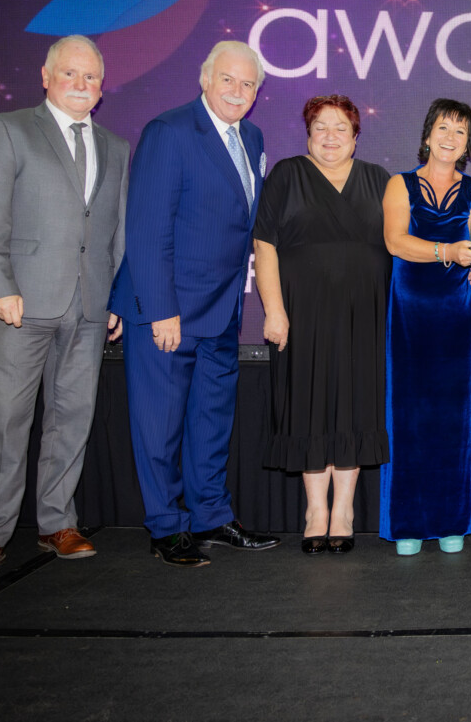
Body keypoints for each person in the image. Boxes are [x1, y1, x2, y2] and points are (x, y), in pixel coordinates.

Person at [0, 35, 127, 578]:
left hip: (90, 306)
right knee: (6, 421)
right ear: (47, 75)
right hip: (20, 303)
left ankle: (58, 523)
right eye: (72, 73)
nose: (83, 84)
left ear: (102, 87)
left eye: (92, 77)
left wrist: (114, 297)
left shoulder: (117, 147)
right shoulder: (7, 130)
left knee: (71, 419)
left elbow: (115, 232)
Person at [109, 41, 281, 567]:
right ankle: (166, 527)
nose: (238, 91)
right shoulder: (171, 131)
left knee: (211, 421)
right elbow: (146, 228)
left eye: (248, 84)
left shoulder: (250, 138)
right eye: (228, 79)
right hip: (169, 312)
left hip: (223, 311)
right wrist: (161, 309)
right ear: (205, 80)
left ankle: (210, 516)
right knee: (159, 425)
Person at [254, 96, 392, 555]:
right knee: (309, 407)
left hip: (365, 319)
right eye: (320, 127)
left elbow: (406, 244)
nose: (330, 135)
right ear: (308, 133)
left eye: (340, 128)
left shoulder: (379, 180)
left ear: (356, 135)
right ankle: (316, 511)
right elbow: (265, 244)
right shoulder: (287, 175)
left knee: (354, 409)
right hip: (302, 317)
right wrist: (274, 310)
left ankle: (344, 511)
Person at [380, 99, 471, 555]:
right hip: (411, 310)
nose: (450, 138)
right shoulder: (399, 184)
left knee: (454, 417)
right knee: (409, 415)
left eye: (460, 133)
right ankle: (406, 524)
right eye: (444, 128)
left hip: (458, 313)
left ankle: (451, 522)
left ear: (468, 145)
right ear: (427, 135)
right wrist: (449, 253)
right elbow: (395, 241)